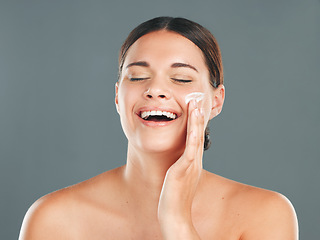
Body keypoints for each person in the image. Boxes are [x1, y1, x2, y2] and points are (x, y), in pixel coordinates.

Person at [19, 17, 298, 240]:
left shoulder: (266, 214)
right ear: (118, 97)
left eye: (181, 78)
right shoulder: (53, 219)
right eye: (138, 76)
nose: (155, 90)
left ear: (216, 101)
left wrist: (176, 221)